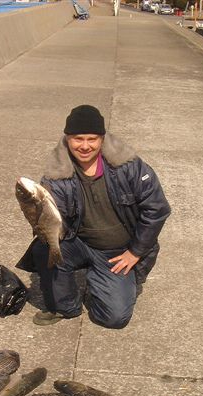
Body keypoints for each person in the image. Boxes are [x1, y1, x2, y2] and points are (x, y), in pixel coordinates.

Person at [17, 105, 171, 329]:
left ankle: (102, 282)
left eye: (92, 139)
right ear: (67, 138)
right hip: (79, 241)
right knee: (45, 248)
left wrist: (135, 252)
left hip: (119, 250)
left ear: (102, 139)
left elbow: (157, 209)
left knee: (114, 318)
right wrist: (34, 210)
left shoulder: (130, 167)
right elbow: (50, 221)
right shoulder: (55, 175)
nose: (85, 146)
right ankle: (65, 306)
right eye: (78, 138)